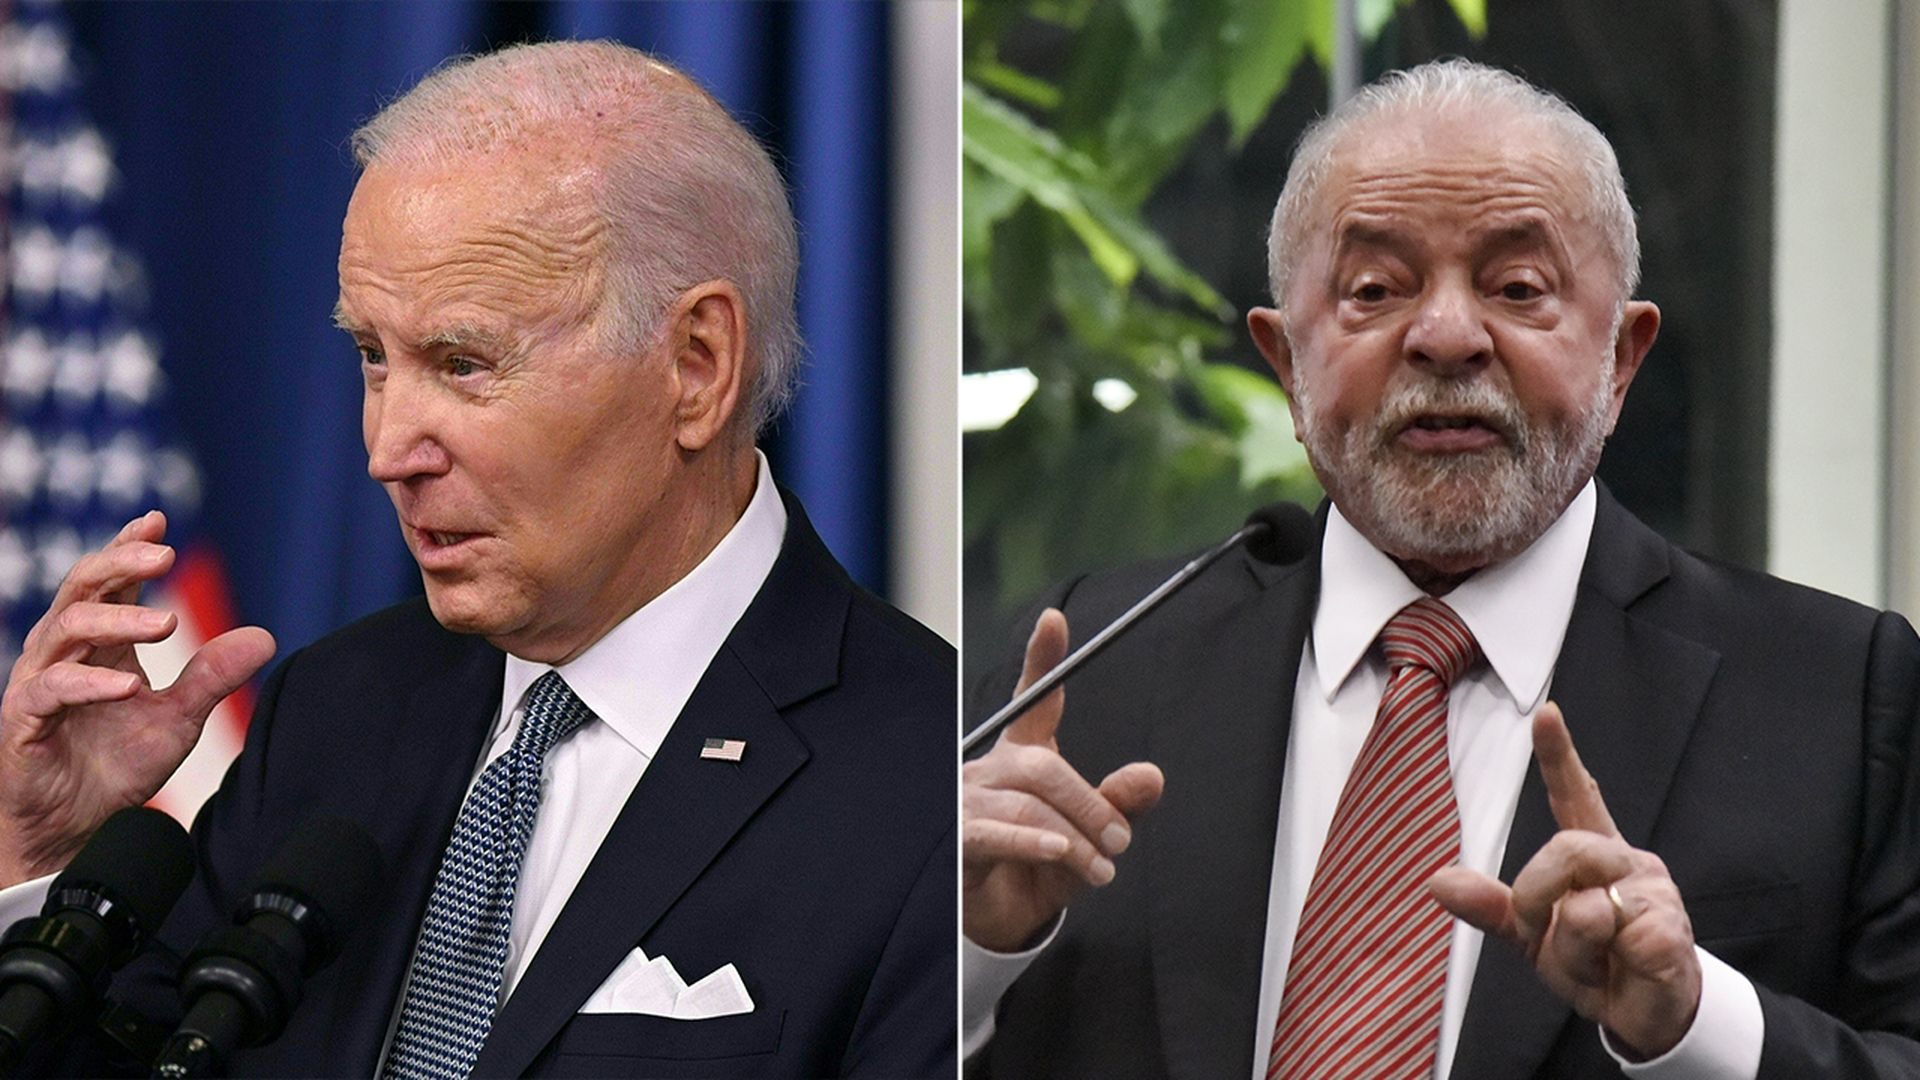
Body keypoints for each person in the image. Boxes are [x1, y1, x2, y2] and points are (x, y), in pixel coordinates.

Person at [0, 41, 954, 1077]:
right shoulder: (338, 711)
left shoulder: (928, 779)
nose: (386, 452)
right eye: (373, 356)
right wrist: (32, 855)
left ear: (696, 366)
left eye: (463, 364)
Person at [963, 59, 1920, 1079]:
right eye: (1376, 290)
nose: (1448, 337)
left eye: (1518, 288)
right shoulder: (1085, 674)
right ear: (1287, 365)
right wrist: (969, 958)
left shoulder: (1841, 694)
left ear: (1623, 355)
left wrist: (1694, 1021)